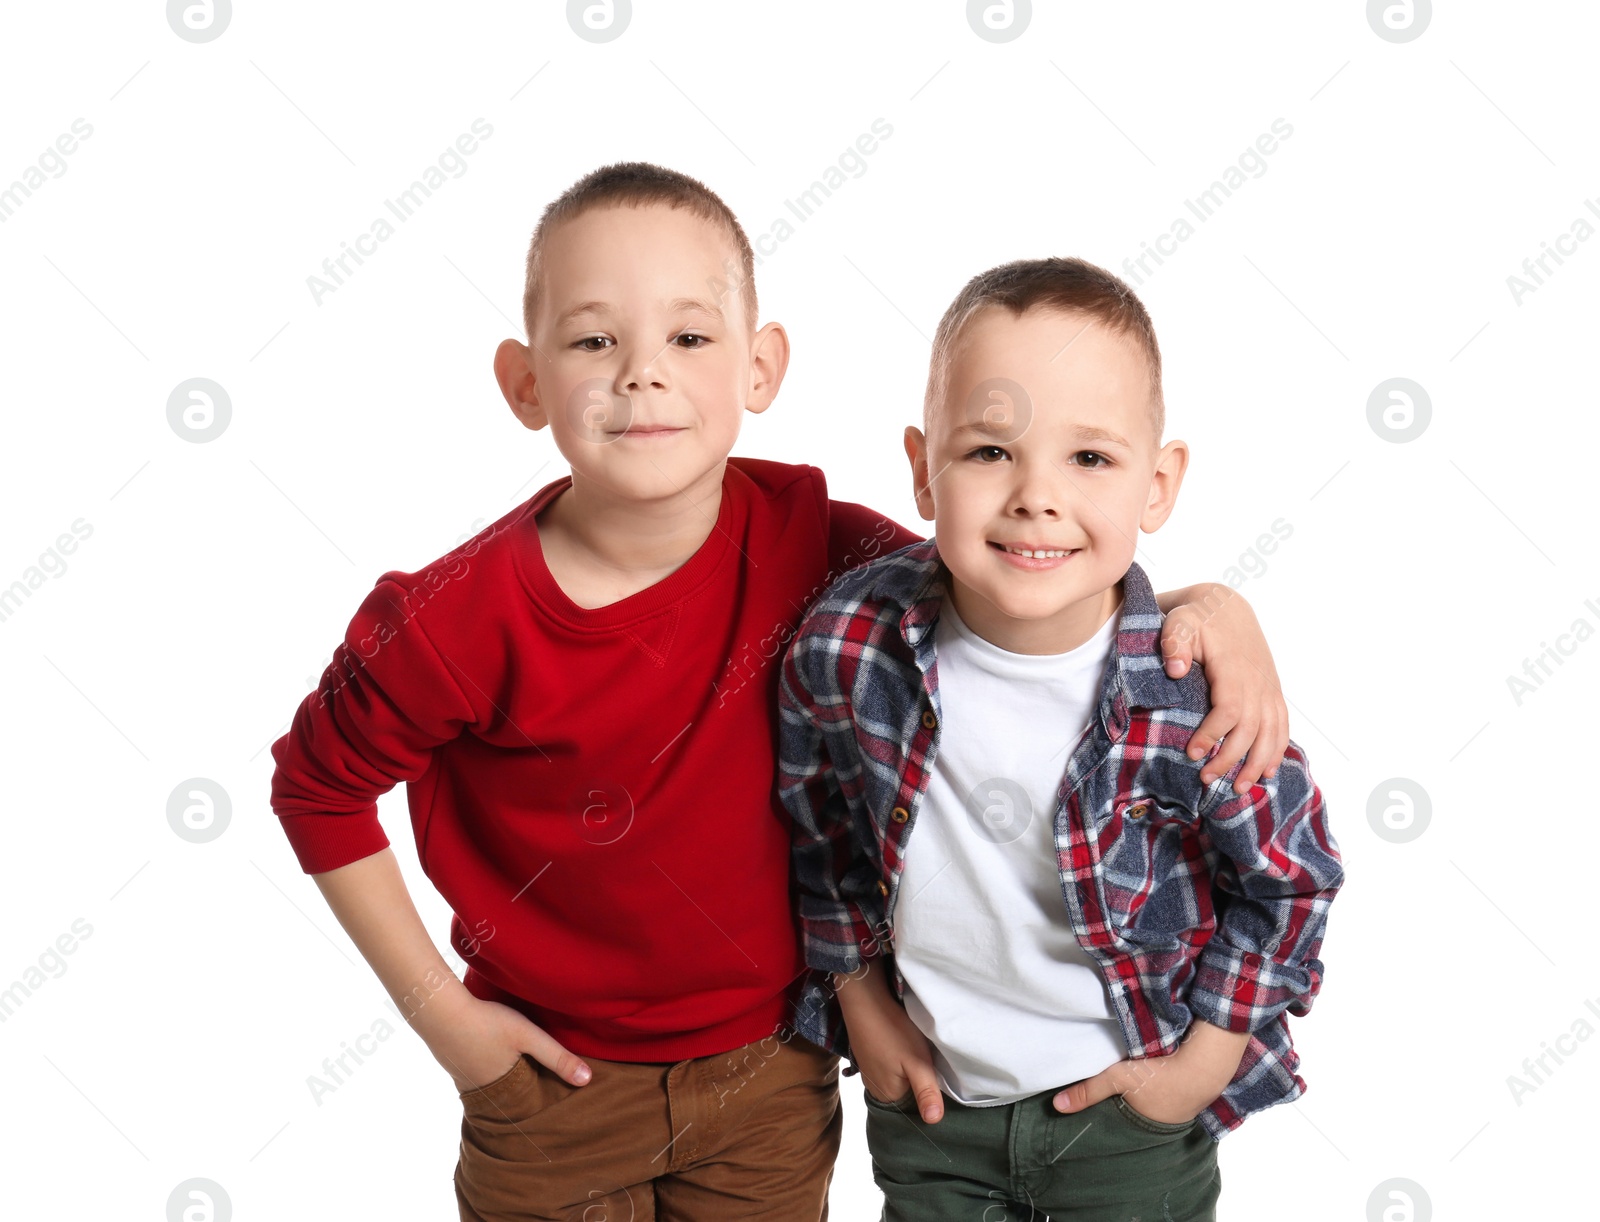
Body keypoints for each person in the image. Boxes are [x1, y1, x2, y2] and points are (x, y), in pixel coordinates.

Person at [269, 164, 1296, 1221]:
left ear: (759, 366)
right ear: (525, 381)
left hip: (770, 1073)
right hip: (547, 1083)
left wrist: (1213, 608)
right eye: (591, 342)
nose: (641, 377)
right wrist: (449, 1022)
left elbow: (1022, 579)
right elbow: (316, 789)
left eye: (689, 338)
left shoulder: (815, 539)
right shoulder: (452, 617)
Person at [777, 255, 1343, 1221]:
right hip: (932, 1107)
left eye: (1090, 458)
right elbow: (821, 835)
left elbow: (1288, 882)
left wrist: (1195, 1072)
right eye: (991, 452)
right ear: (923, 468)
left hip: (1132, 1119)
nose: (1036, 495)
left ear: (1157, 485)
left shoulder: (1190, 693)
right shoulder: (849, 649)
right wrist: (862, 1007)